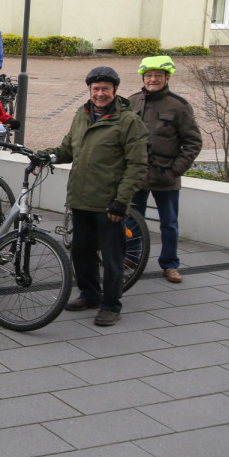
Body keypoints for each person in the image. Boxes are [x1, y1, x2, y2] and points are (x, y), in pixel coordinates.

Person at [39, 66, 148, 327]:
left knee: (112, 258)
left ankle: (111, 305)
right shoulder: (82, 115)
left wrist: (121, 200)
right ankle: (89, 295)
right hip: (81, 199)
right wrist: (45, 155)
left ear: (115, 91)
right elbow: (68, 149)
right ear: (89, 89)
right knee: (81, 252)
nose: (100, 94)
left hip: (108, 203)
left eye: (105, 89)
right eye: (96, 89)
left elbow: (137, 165)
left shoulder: (128, 122)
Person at [128, 56, 202, 284]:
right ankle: (131, 257)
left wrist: (175, 170)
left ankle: (170, 264)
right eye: (149, 75)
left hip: (165, 175)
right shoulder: (131, 102)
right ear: (143, 77)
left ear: (167, 77)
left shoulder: (178, 106)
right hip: (137, 174)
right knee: (131, 219)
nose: (152, 79)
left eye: (158, 76)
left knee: (169, 223)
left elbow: (193, 142)